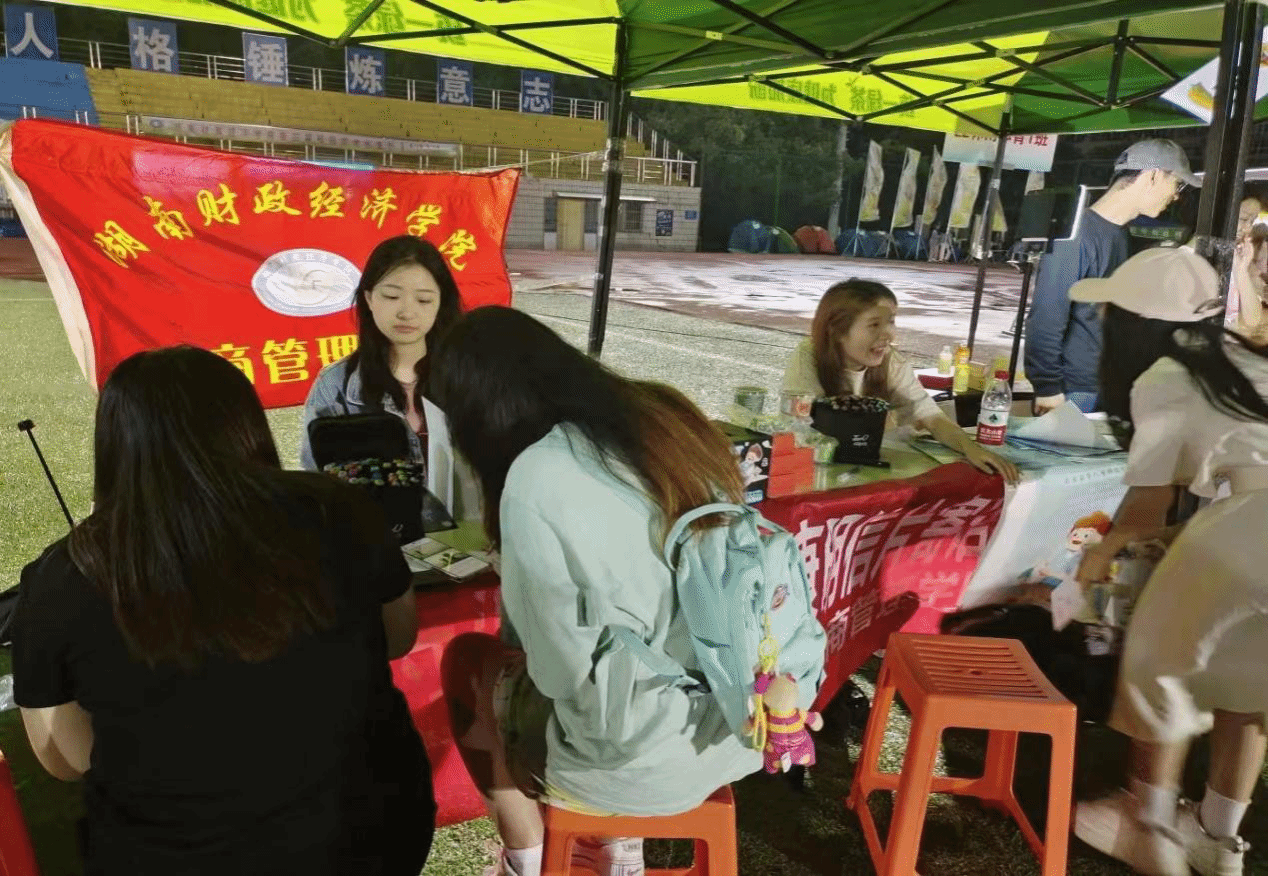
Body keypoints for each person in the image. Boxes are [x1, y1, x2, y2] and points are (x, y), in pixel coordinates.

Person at [11, 346, 435, 876]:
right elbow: (398, 636)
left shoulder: (65, 575)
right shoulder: (340, 508)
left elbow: (65, 759)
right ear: (246, 425)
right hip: (377, 836)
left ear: (116, 444)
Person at [431, 307, 767, 876]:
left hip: (626, 760)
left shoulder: (536, 474)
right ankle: (615, 844)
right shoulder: (670, 413)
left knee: (472, 663)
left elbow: (555, 671)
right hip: (735, 725)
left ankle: (529, 855)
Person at [1067, 246, 1268, 876]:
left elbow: (1144, 507)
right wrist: (1175, 537)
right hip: (1251, 534)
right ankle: (1218, 840)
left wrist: (1098, 555)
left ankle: (1146, 823)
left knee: (1157, 662)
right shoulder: (1240, 358)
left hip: (1248, 531)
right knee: (1250, 686)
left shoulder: (1162, 379)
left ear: (1131, 322)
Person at [300, 234, 477, 518]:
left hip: (468, 537)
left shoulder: (471, 377)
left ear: (440, 303)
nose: (407, 312)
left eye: (424, 299)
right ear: (369, 298)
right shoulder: (335, 386)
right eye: (392, 296)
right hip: (378, 537)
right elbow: (318, 482)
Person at [782, 278, 1020, 483]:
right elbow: (797, 429)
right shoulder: (809, 357)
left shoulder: (892, 362)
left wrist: (971, 449)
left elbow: (931, 417)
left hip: (866, 471)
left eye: (891, 322)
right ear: (837, 330)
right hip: (817, 473)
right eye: (874, 325)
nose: (889, 335)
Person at [1025, 138, 1200, 414]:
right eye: (1177, 184)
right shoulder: (1076, 234)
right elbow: (1047, 315)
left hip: (1105, 384)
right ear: (1153, 176)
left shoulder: (1120, 235)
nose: (1176, 196)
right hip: (1073, 391)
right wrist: (1047, 388)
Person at [1228, 186, 1268, 344]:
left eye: (1252, 221)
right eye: (1244, 219)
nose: (1248, 228)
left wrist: (1242, 270)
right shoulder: (1195, 254)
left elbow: (1253, 320)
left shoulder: (1240, 259)